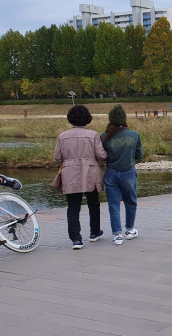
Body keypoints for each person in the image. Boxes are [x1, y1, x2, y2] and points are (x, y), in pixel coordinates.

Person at [54, 105, 108, 250]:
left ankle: (76, 239)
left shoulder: (62, 136)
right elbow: (101, 156)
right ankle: (94, 232)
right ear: (87, 118)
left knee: (73, 207)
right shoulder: (93, 135)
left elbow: (58, 157)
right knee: (93, 203)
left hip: (70, 173)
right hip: (90, 172)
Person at [101, 104, 143, 246]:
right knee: (130, 202)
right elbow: (139, 155)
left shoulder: (104, 137)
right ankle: (130, 230)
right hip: (128, 172)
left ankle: (117, 235)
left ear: (110, 120)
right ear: (124, 120)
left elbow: (103, 156)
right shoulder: (134, 135)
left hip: (111, 173)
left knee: (114, 205)